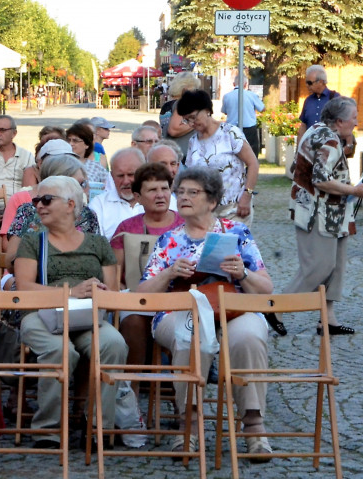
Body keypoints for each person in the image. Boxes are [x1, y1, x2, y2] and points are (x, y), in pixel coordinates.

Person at [136, 166, 274, 456]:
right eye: (181, 192)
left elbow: (266, 289)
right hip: (182, 308)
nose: (183, 197)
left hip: (232, 306)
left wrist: (242, 273)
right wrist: (170, 272)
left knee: (249, 336)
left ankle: (253, 424)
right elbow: (142, 295)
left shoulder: (237, 232)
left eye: (193, 192)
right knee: (190, 337)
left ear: (212, 201)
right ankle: (190, 420)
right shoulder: (170, 240)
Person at [14, 175, 127, 449]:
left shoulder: (99, 244)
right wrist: (69, 292)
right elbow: (24, 288)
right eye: (36, 200)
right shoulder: (32, 242)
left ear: (70, 205)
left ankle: (99, 427)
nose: (38, 205)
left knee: (114, 344)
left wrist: (98, 291)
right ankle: (48, 430)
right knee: (60, 350)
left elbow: (112, 293)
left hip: (87, 316)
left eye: (46, 199)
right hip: (42, 315)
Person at [275, 96, 363, 337]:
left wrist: (347, 142)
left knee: (336, 265)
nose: (356, 122)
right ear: (339, 120)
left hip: (330, 211)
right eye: (353, 118)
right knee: (319, 267)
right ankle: (274, 308)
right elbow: (321, 179)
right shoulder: (330, 142)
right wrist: (355, 191)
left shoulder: (318, 129)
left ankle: (328, 320)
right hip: (319, 212)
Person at [110, 163, 181, 373]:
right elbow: (116, 273)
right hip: (136, 299)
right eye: (152, 190)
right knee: (133, 321)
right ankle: (131, 389)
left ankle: (182, 394)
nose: (160, 195)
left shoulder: (185, 225)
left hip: (176, 300)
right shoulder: (126, 227)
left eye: (164, 188)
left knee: (188, 327)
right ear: (138, 197)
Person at [177, 89, 259, 225]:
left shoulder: (230, 133)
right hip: (205, 212)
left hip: (235, 209)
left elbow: (253, 164)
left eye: (193, 117)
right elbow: (191, 175)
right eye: (187, 120)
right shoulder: (193, 141)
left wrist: (247, 195)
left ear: (207, 110)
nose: (191, 123)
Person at [3, 153, 101, 265]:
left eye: (82, 183)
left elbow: (95, 260)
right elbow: (10, 261)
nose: (83, 190)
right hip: (32, 276)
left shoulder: (86, 215)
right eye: (76, 184)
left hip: (76, 278)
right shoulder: (28, 212)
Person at [88, 147, 150, 239]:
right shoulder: (99, 205)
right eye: (120, 176)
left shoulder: (160, 200)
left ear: (144, 173)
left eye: (131, 175)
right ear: (112, 176)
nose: (126, 181)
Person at [0, 115, 35, 199]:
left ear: (14, 133)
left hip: (18, 206)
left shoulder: (26, 156)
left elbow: (30, 189)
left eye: (2, 130)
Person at [158, 70, 202, 160]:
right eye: (195, 89)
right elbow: (174, 130)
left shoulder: (167, 105)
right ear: (186, 88)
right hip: (182, 156)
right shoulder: (182, 104)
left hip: (168, 153)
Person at [297, 65, 341, 145]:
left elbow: (344, 123)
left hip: (329, 149)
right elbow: (303, 126)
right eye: (306, 82)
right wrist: (298, 151)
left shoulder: (335, 98)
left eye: (309, 83)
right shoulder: (308, 101)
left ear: (321, 82)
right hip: (309, 149)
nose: (307, 85)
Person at [221, 75, 265, 156]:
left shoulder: (227, 96)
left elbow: (225, 111)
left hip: (232, 128)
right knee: (252, 154)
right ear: (245, 84)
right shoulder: (251, 95)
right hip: (249, 128)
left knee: (233, 153)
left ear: (234, 84)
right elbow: (262, 108)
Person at [66, 122, 109, 199]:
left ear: (87, 144)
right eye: (68, 140)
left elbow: (109, 186)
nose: (71, 143)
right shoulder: (61, 165)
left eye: (75, 141)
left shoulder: (96, 167)